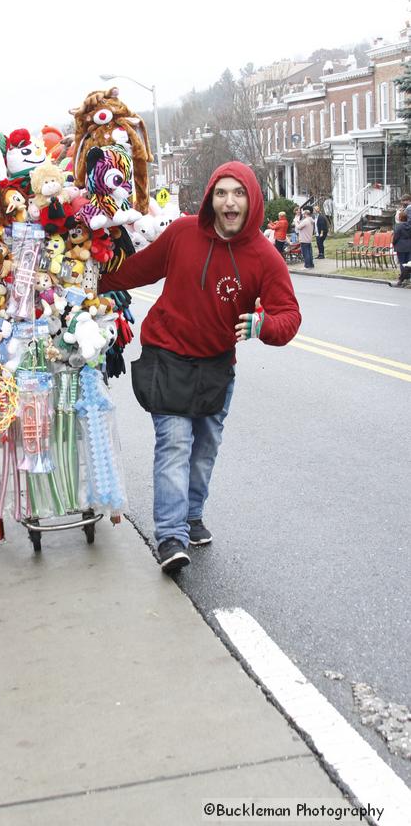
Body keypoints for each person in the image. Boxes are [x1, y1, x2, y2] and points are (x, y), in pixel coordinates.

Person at [98, 161, 301, 574]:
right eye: (222, 193)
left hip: (216, 367)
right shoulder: (182, 232)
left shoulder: (264, 255)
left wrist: (263, 325)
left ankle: (191, 515)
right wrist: (89, 281)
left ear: (251, 200)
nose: (229, 201)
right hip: (167, 354)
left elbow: (289, 316)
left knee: (204, 450)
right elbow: (140, 269)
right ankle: (170, 536)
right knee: (174, 444)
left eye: (238, 193)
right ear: (211, 197)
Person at [389, 205, 411, 288]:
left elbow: (396, 237)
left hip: (400, 246)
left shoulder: (399, 226)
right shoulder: (409, 226)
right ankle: (407, 278)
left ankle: (402, 280)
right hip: (409, 246)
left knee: (402, 263)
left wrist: (394, 243)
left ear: (400, 218)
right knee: (408, 263)